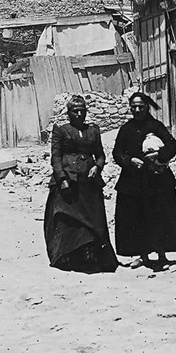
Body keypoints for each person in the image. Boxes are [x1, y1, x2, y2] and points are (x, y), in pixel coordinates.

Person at [112, 91, 176, 270]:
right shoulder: (126, 129)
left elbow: (172, 145)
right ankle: (142, 255)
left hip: (156, 180)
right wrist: (130, 161)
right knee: (136, 218)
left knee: (159, 216)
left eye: (141, 106)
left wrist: (158, 155)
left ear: (147, 107)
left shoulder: (156, 126)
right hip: (133, 181)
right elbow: (117, 152)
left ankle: (162, 254)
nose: (137, 110)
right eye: (134, 107)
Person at [43, 94, 118, 272]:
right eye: (75, 111)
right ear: (69, 113)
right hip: (69, 181)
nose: (79, 114)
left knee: (93, 220)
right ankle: (67, 256)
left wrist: (97, 167)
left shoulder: (93, 131)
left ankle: (91, 255)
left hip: (89, 183)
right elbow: (56, 157)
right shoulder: (61, 131)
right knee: (67, 220)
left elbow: (100, 155)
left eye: (82, 111)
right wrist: (61, 179)